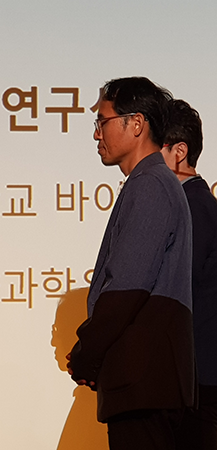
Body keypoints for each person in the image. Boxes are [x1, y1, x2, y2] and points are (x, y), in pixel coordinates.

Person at [66, 77, 195, 450]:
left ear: (136, 124)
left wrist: (87, 354)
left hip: (143, 380)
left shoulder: (150, 184)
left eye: (102, 121)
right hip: (147, 380)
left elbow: (127, 287)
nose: (96, 134)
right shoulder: (152, 182)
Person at [161, 99, 217, 450]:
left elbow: (177, 289)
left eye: (154, 150)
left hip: (197, 380)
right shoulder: (190, 204)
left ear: (179, 152)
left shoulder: (194, 207)